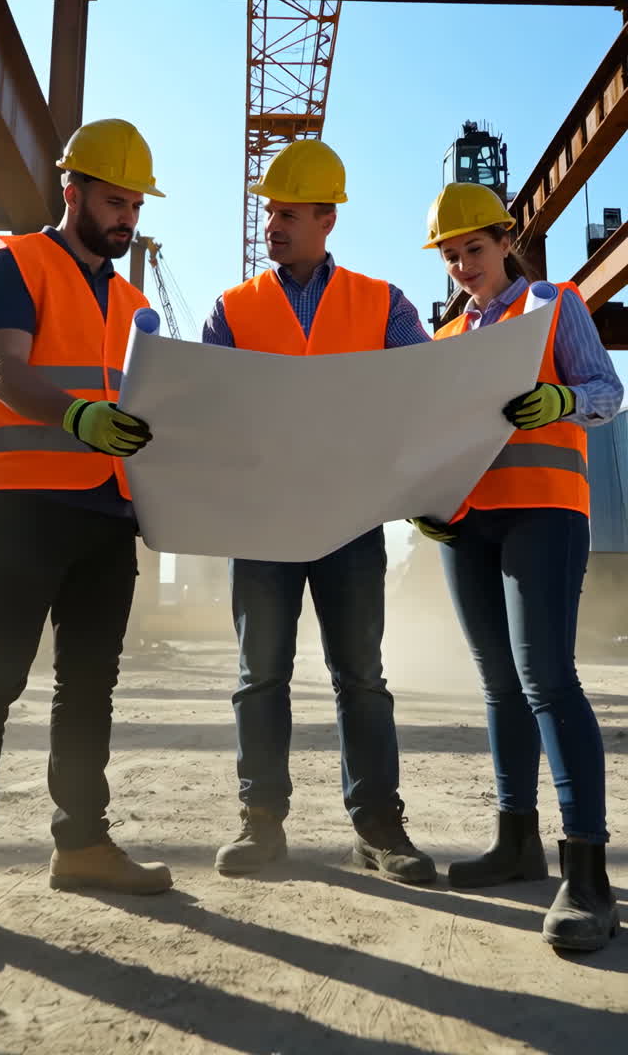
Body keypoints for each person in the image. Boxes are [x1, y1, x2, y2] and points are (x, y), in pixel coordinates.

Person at [0, 119, 172, 954]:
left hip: (108, 512)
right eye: (112, 200)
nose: (125, 217)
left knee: (89, 686)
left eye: (135, 204)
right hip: (27, 502)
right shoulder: (15, 262)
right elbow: (2, 369)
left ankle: (83, 844)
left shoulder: (137, 305)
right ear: (74, 192)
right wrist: (76, 415)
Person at [203, 138, 436, 884]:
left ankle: (379, 828)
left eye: (290, 212)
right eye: (270, 209)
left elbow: (423, 389)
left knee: (360, 676)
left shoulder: (382, 302)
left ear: (327, 219)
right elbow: (203, 412)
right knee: (259, 676)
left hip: (347, 519)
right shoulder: (233, 308)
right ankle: (261, 823)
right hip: (263, 521)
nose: (273, 223)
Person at [413, 180, 622, 951]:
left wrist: (560, 399)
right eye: (452, 256)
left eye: (475, 248)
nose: (464, 266)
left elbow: (610, 390)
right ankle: (516, 842)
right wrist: (426, 500)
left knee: (547, 679)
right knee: (500, 685)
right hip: (470, 524)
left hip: (544, 510)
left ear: (507, 241)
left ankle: (590, 877)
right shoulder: (444, 341)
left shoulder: (553, 306)